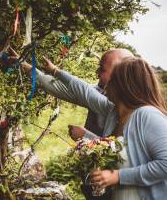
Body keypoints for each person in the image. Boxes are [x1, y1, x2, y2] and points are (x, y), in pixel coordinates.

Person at [44, 56, 167, 199]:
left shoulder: (147, 115)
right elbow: (83, 90)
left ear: (124, 85)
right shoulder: (114, 113)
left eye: (113, 79)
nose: (108, 84)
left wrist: (118, 176)